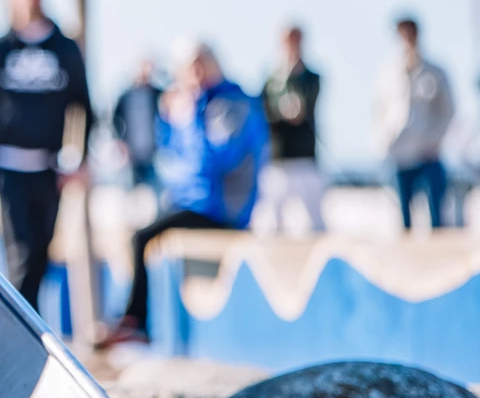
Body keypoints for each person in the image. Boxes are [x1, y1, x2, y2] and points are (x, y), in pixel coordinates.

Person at [97, 39, 268, 348]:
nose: (193, 76)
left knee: (141, 237)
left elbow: (215, 162)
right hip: (195, 203)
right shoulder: (200, 104)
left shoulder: (232, 104)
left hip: (222, 211)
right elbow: (172, 160)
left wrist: (190, 119)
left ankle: (135, 322)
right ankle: (134, 320)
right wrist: (168, 119)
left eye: (197, 67)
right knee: (142, 234)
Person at [0, 0, 93, 312]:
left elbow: (85, 106)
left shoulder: (64, 48)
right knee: (19, 253)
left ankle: (29, 323)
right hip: (9, 166)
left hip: (49, 168)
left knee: (41, 254)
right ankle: (21, 328)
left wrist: (82, 160)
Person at [374, 16, 454, 229]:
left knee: (437, 217)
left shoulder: (435, 72)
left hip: (428, 153)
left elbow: (448, 111)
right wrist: (384, 140)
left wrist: (434, 141)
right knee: (403, 219)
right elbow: (379, 110)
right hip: (399, 154)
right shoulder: (388, 73)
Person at [258, 25, 325, 233]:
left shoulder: (312, 77)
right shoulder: (271, 80)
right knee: (273, 223)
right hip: (278, 158)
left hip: (305, 156)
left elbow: (306, 107)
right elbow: (264, 112)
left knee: (315, 222)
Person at [112, 59, 162, 191]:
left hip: (153, 153)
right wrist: (120, 141)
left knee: (156, 191)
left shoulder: (157, 94)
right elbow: (114, 120)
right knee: (130, 192)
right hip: (131, 153)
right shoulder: (125, 96)